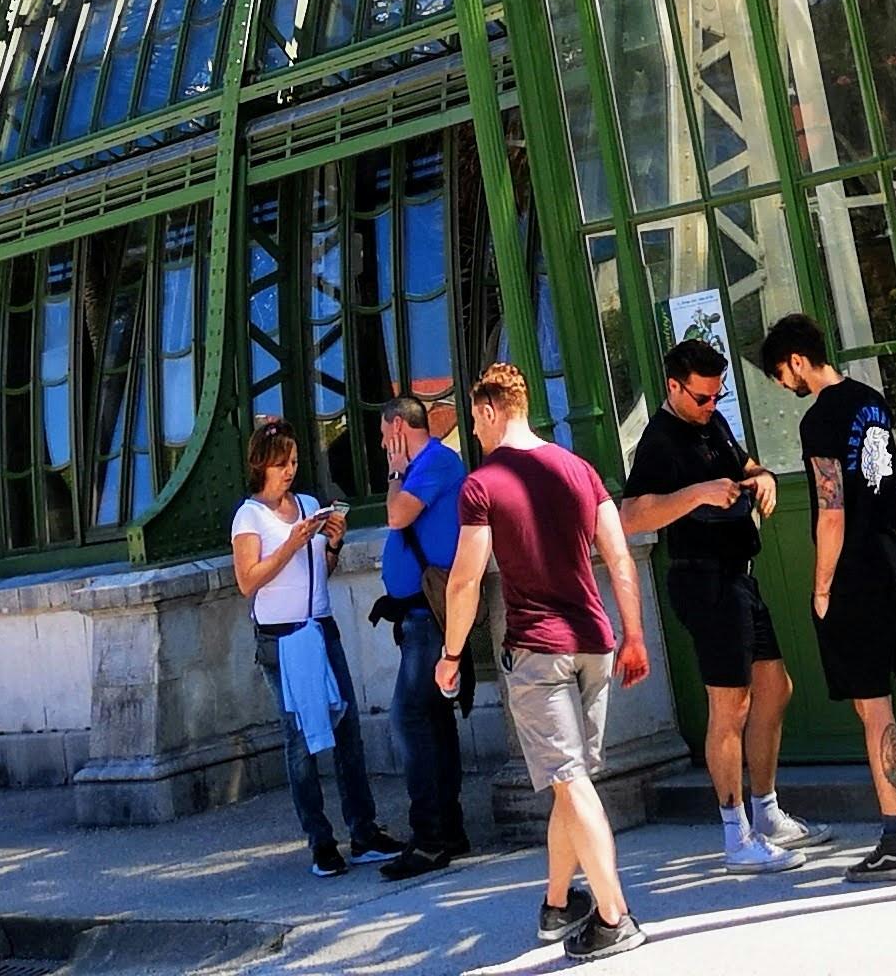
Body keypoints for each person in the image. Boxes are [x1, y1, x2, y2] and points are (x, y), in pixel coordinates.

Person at [437, 361, 653, 959]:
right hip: (595, 641)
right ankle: (558, 904)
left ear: (488, 411)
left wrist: (452, 654)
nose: (474, 435)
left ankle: (615, 916)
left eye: (474, 422)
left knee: (571, 782)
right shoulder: (581, 470)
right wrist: (633, 634)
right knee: (568, 783)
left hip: (537, 649)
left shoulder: (482, 484)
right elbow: (619, 558)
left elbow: (464, 582)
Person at [756, 312, 896, 880]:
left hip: (856, 576)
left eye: (782, 373)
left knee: (872, 706)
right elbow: (891, 480)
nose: (784, 385)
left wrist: (821, 586)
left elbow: (831, 513)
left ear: (797, 361)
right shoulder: (872, 399)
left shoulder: (820, 420)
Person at [615, 337, 813, 873]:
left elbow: (745, 465)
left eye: (717, 395)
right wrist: (698, 494)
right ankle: (735, 833)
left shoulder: (712, 423)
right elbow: (630, 515)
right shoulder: (659, 440)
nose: (711, 405)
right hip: (703, 581)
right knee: (731, 707)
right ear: (674, 387)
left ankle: (766, 810)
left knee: (775, 689)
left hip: (739, 577)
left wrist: (764, 478)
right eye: (702, 397)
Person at [230, 416, 405, 880]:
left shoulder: (306, 504)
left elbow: (316, 575)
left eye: (293, 462)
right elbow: (248, 581)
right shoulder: (250, 517)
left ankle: (364, 832)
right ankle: (320, 842)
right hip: (281, 637)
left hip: (319, 626)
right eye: (281, 463)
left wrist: (333, 543)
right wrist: (290, 543)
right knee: (300, 739)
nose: (289, 470)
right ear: (261, 466)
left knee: (346, 727)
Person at [375, 394, 470, 877]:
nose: (382, 445)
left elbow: (396, 516)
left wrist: (395, 469)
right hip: (419, 614)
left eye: (383, 433)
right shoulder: (432, 464)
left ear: (396, 426)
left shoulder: (433, 461)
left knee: (410, 718)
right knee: (431, 720)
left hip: (430, 618)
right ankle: (446, 829)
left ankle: (431, 835)